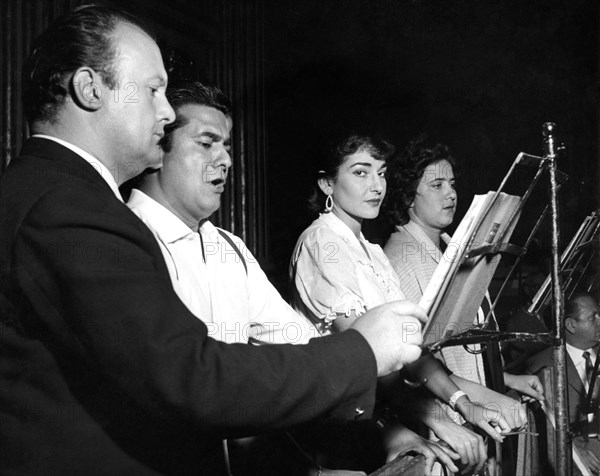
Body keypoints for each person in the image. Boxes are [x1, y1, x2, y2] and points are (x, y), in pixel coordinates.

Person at [0, 6, 427, 476]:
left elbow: (287, 340)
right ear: (89, 88)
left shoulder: (58, 194)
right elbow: (191, 379)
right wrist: (361, 352)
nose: (165, 113)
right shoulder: (67, 205)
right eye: (153, 90)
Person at [289, 134, 521, 475]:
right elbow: (365, 357)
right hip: (341, 434)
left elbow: (412, 350)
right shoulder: (321, 242)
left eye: (381, 173)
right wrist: (437, 420)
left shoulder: (372, 252)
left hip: (374, 420)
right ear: (327, 183)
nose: (376, 186)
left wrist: (465, 404)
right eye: (360, 172)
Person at [127, 81, 316, 345]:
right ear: (157, 149)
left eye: (226, 147)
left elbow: (297, 341)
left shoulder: (229, 247)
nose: (226, 161)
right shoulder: (123, 238)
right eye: (206, 144)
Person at [383, 138, 544, 401]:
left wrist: (509, 380)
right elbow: (410, 370)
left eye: (452, 184)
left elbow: (463, 357)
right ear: (408, 196)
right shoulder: (402, 260)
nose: (451, 193)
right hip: (448, 426)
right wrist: (481, 401)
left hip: (474, 412)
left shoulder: (451, 247)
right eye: (437, 185)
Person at [527, 293, 600, 473]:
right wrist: (572, 449)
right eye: (594, 317)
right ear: (571, 325)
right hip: (583, 458)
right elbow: (542, 430)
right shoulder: (542, 367)